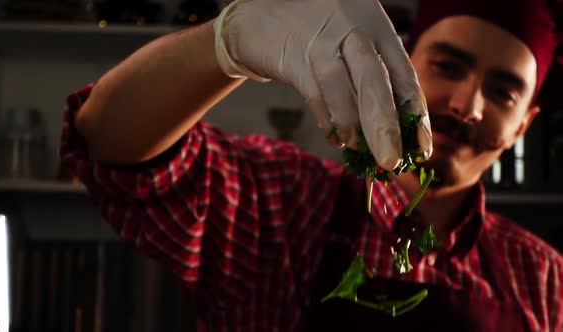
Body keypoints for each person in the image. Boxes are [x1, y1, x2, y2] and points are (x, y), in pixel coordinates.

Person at [60, 0, 563, 330]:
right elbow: (109, 145)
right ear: (398, 65)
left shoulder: (542, 276)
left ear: (524, 124)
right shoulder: (282, 201)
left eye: (502, 91)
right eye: (448, 67)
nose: (466, 104)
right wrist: (227, 44)